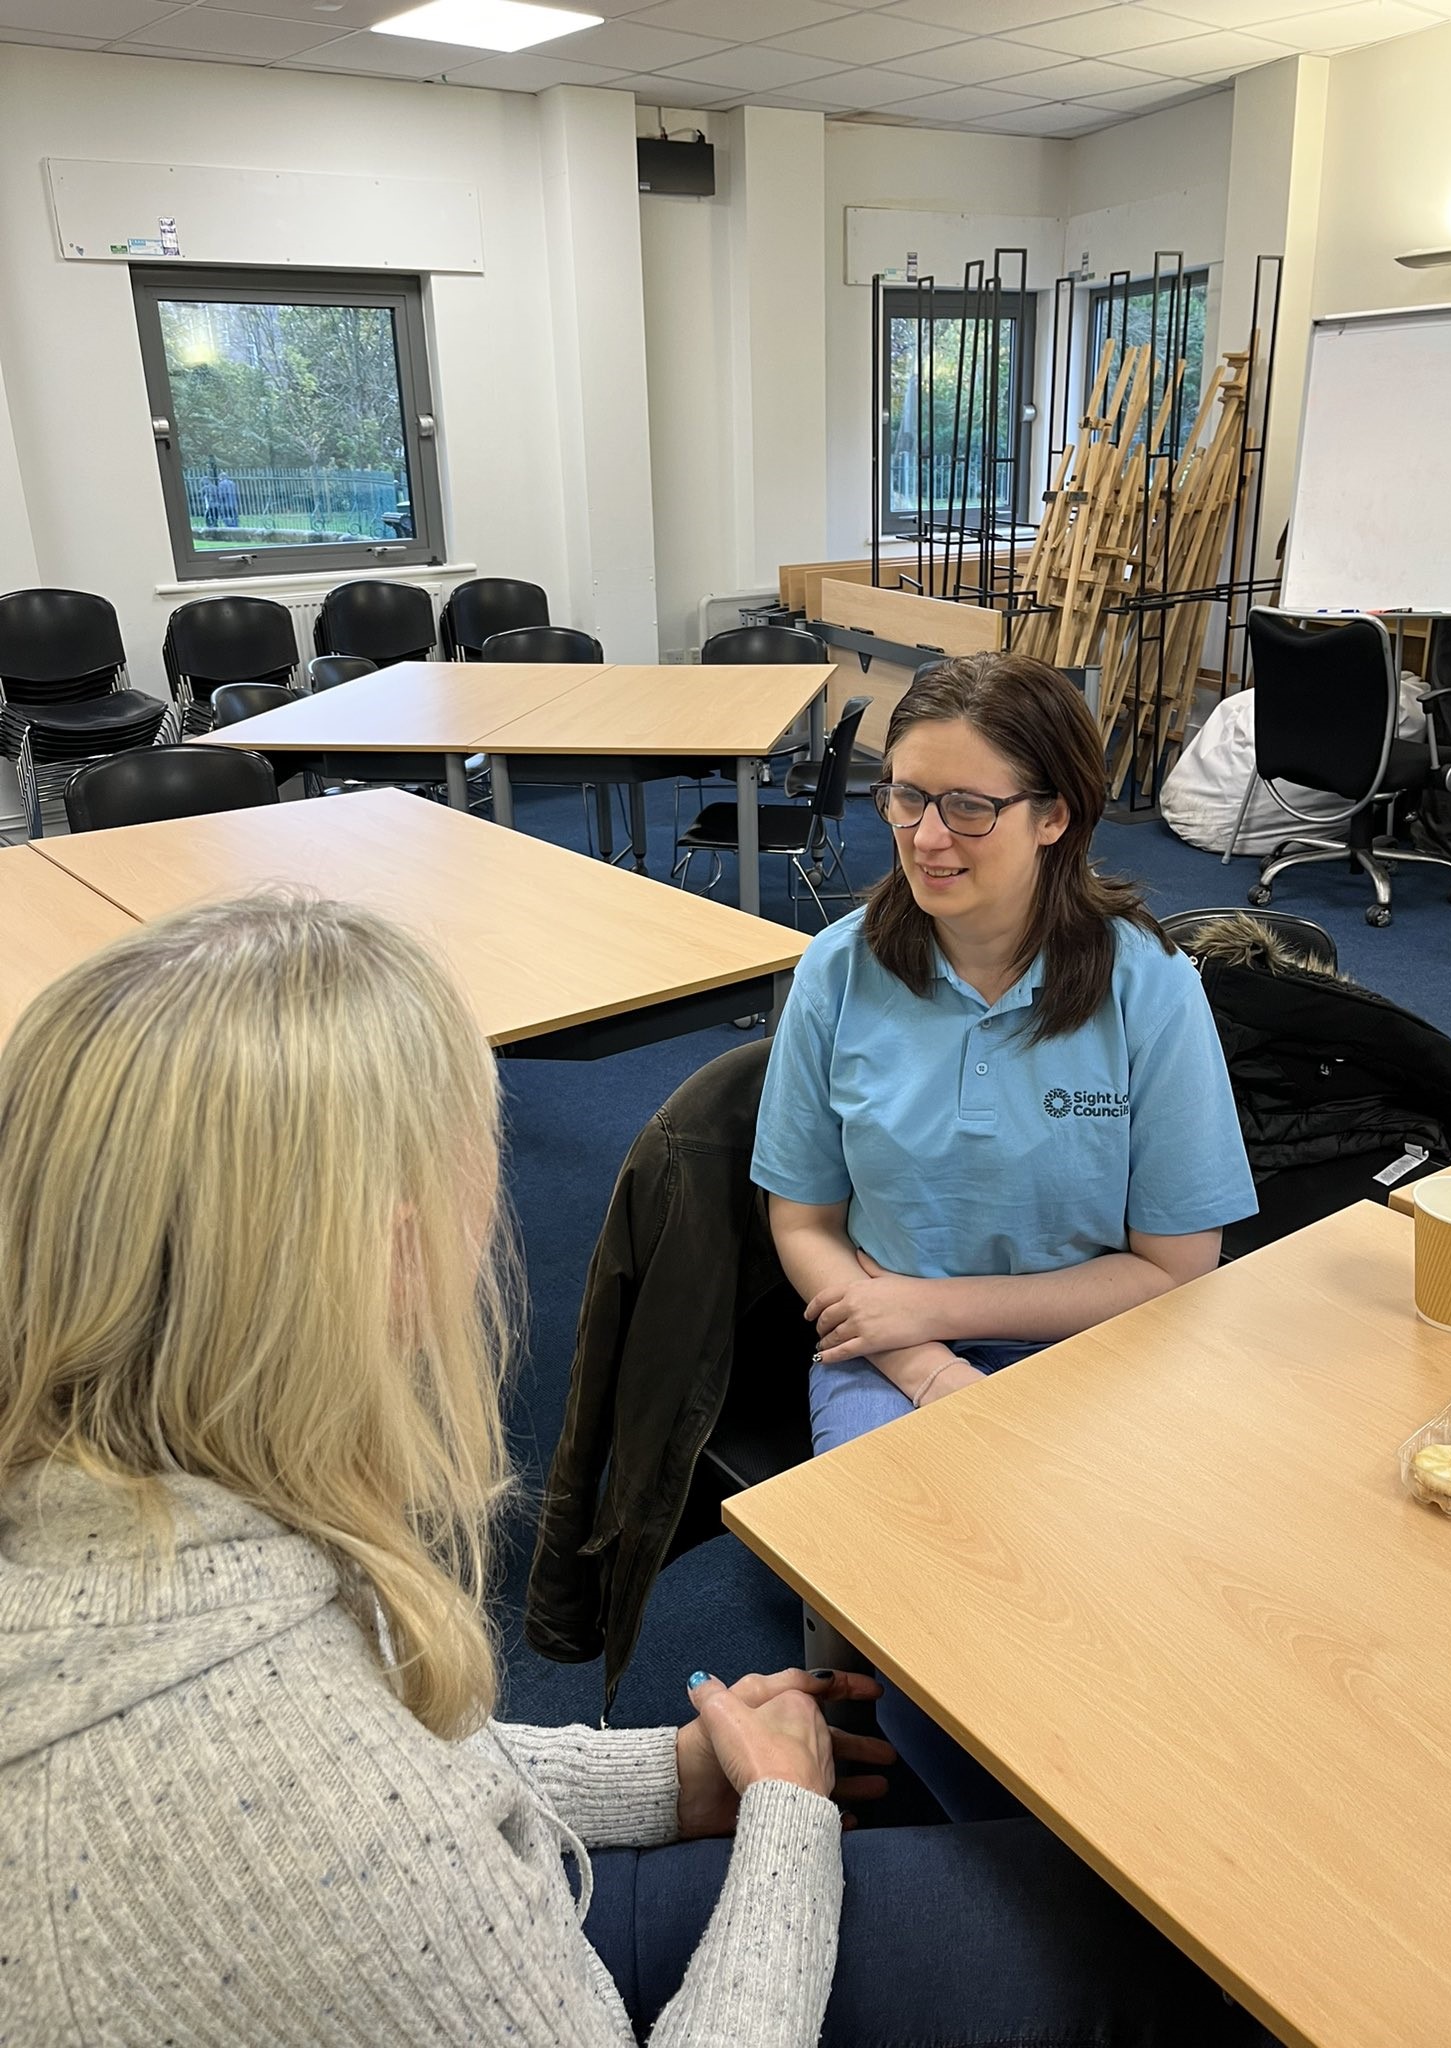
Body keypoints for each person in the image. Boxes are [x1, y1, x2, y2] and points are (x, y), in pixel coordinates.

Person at [0, 896, 1273, 2046]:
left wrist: (665, 1775)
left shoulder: (153, 1532)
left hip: (460, 1908)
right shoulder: (305, 1813)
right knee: (1150, 1946)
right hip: (503, 1953)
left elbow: (401, 1760)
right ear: (386, 1254)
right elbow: (354, 1819)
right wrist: (784, 1815)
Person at [751, 654, 1257, 1818]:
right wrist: (921, 1361)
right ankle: (1014, 1843)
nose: (928, 837)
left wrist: (936, 1310)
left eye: (968, 807)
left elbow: (1177, 1270)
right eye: (906, 797)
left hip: (1093, 1351)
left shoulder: (1149, 987)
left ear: (1053, 814)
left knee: (1133, 1609)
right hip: (881, 1353)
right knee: (942, 1623)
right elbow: (804, 1220)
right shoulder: (836, 972)